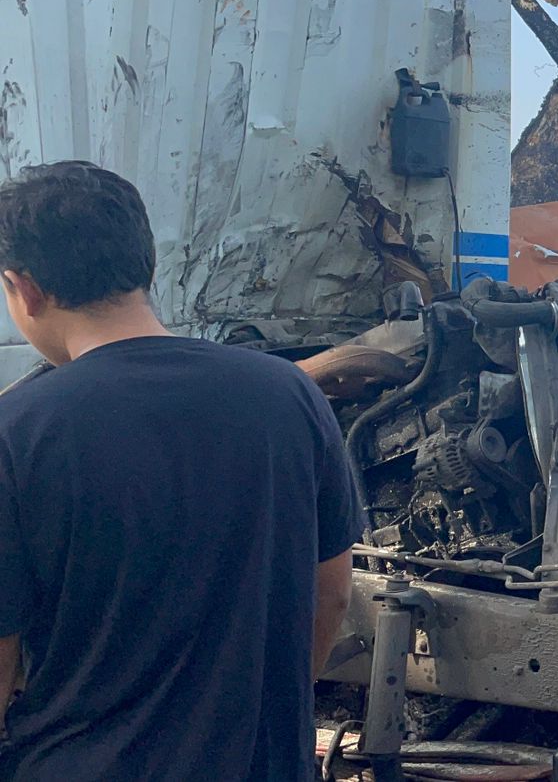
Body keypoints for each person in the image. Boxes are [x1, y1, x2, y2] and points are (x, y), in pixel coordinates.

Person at [0, 161, 363, 781]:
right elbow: (331, 591)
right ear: (146, 267)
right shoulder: (289, 396)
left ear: (24, 290)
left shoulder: (17, 431)